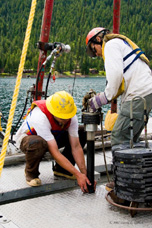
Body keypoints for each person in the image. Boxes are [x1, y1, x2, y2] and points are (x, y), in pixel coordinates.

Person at [85, 27, 152, 190]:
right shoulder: (120, 43)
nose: (97, 54)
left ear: (98, 40)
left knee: (118, 138)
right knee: (131, 141)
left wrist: (99, 100)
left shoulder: (111, 46)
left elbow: (114, 78)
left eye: (94, 50)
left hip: (138, 96)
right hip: (145, 93)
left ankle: (121, 183)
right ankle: (136, 181)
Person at [15, 90, 95, 193]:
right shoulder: (40, 116)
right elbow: (55, 152)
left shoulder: (71, 117)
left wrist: (85, 175)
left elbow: (76, 146)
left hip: (53, 136)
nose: (65, 120)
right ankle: (31, 173)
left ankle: (62, 170)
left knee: (82, 132)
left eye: (67, 117)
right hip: (28, 139)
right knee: (38, 143)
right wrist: (78, 175)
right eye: (62, 117)